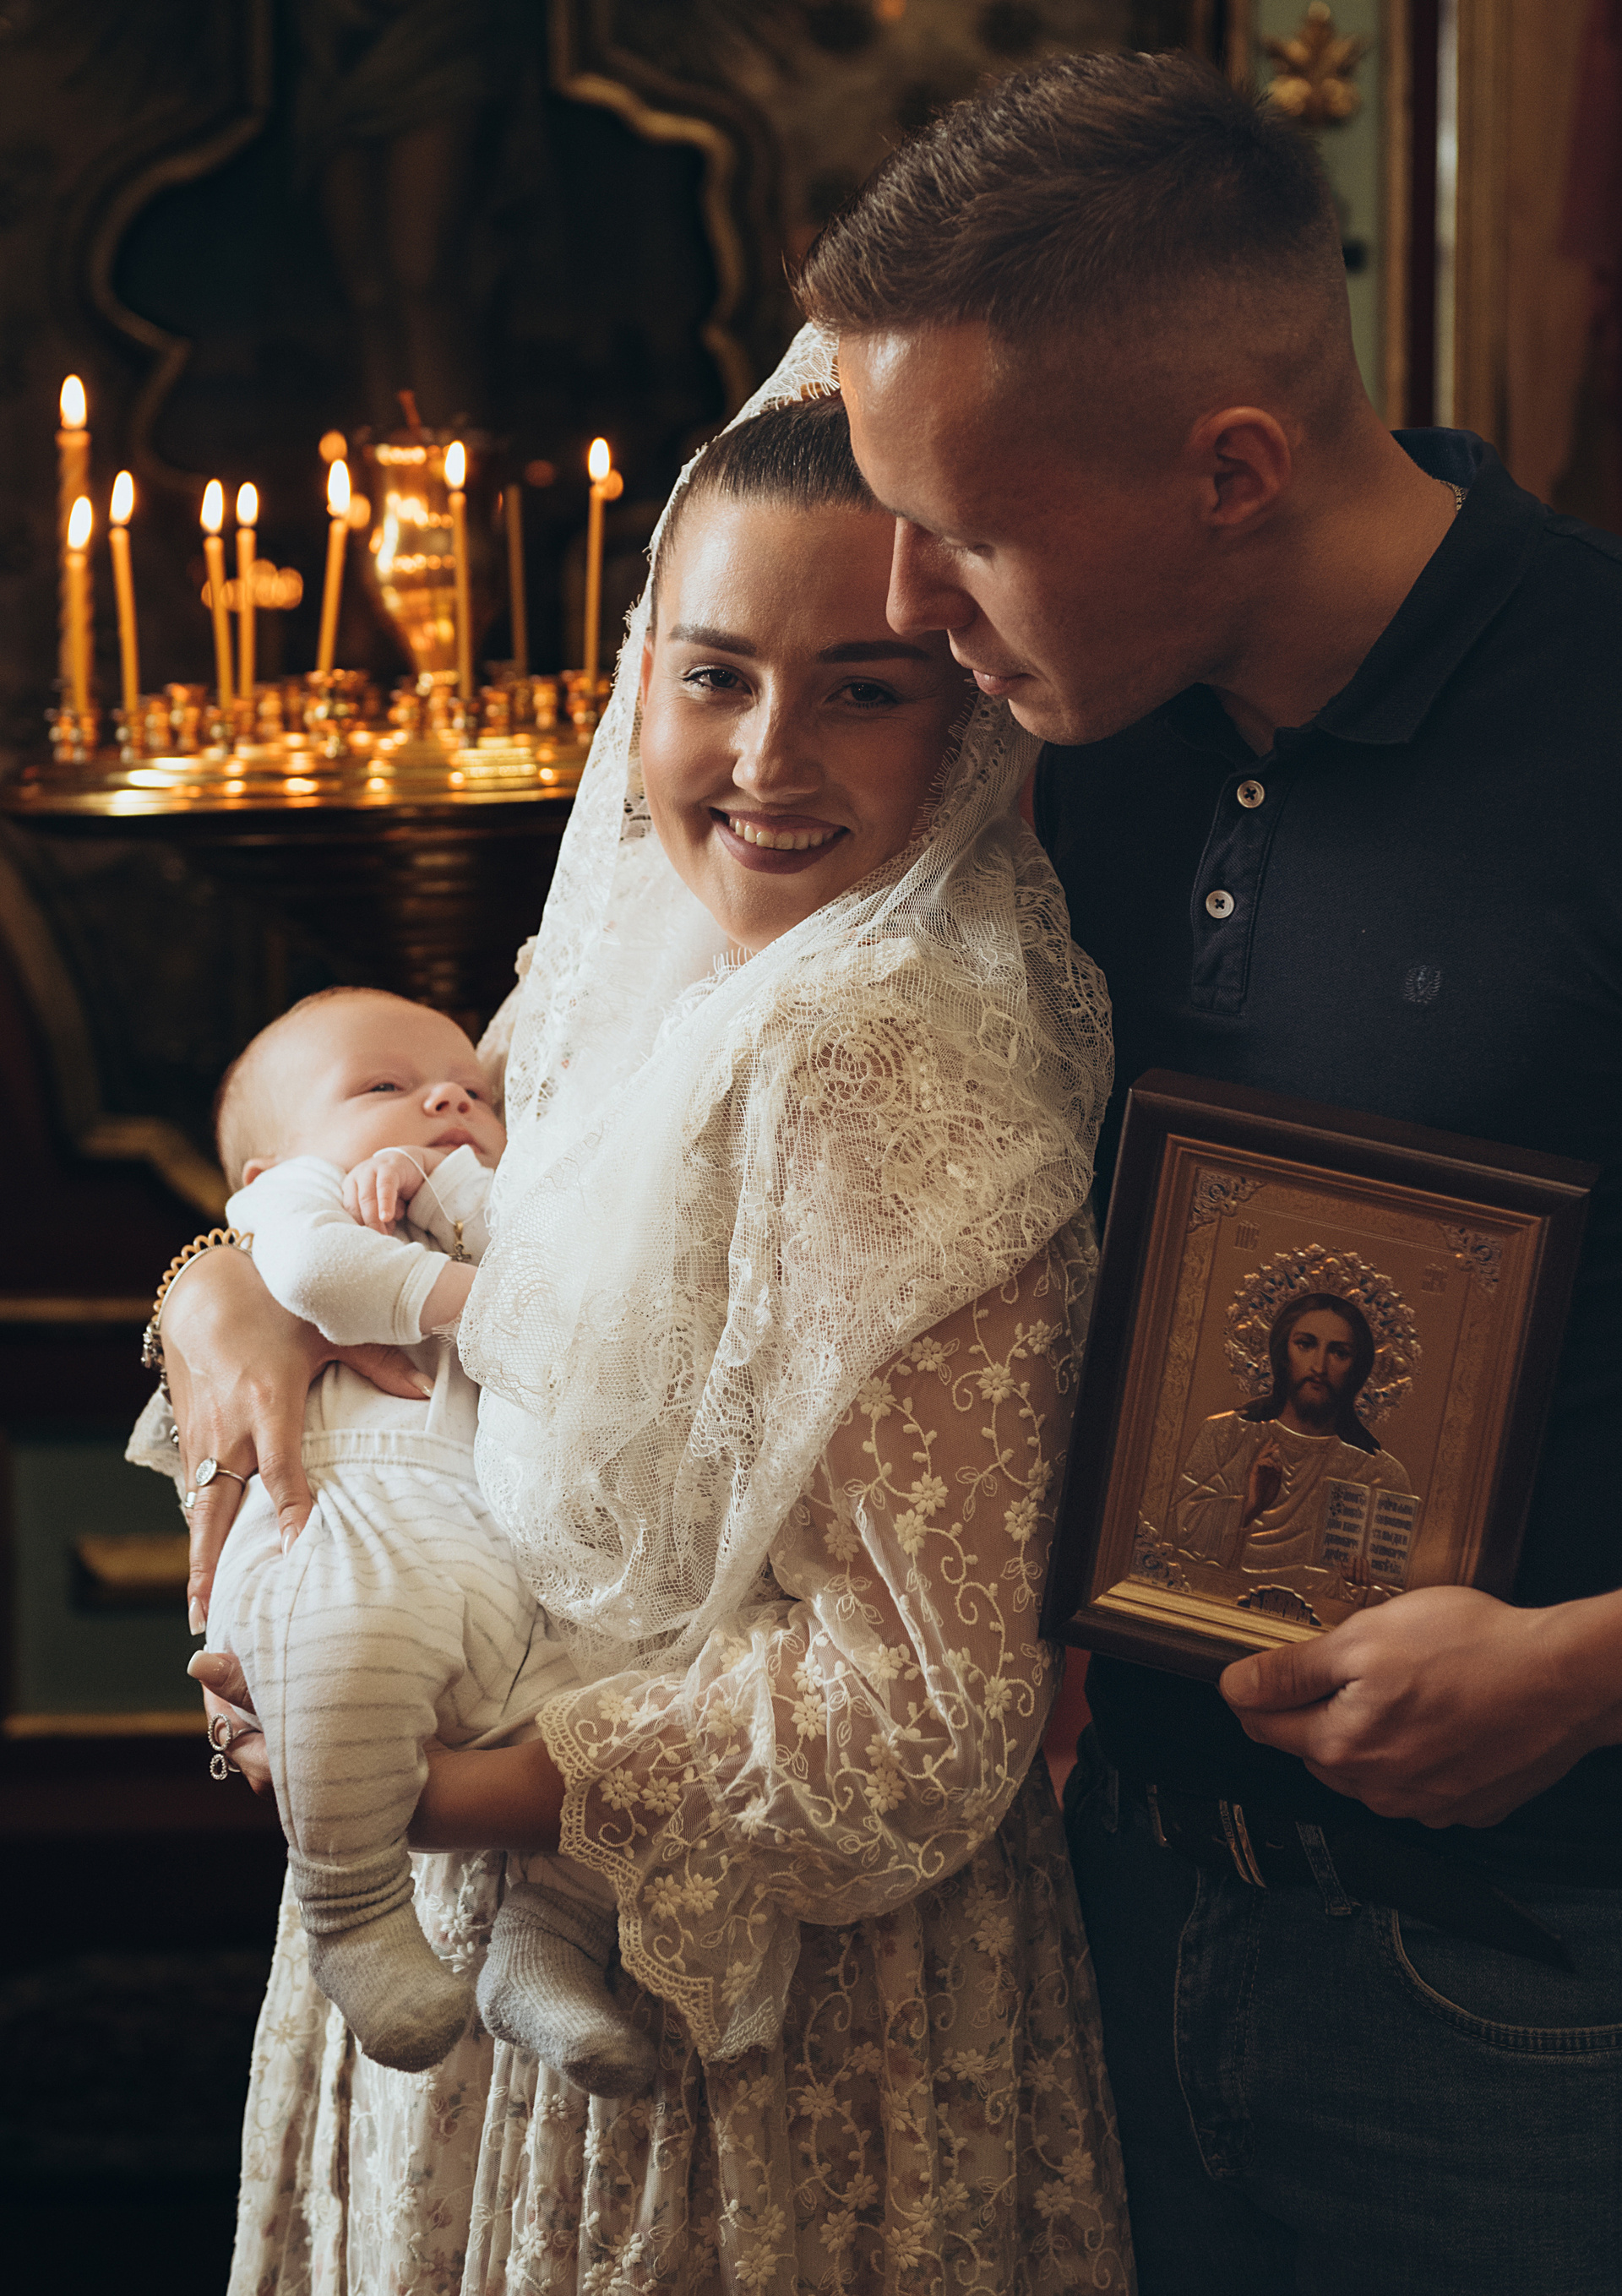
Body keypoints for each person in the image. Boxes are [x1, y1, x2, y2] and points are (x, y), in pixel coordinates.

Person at [157, 369, 1132, 2292]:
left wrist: (434, 1788)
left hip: (737, 2030)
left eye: (863, 688)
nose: (767, 756)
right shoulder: (638, 966)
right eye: (714, 675)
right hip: (464, 1914)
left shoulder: (876, 1066)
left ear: (966, 715)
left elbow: (924, 1711)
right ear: (641, 682)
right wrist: (229, 1296)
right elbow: (396, 1186)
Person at [797, 46, 1622, 2296]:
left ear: (1233, 468)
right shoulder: (1035, 737)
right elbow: (579, 1037)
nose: (910, 602)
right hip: (1088, 1928)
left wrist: (1590, 1665)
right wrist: (246, 1263)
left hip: (1535, 1998)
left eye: (969, 531)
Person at [133, 985, 656, 2092]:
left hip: (499, 1558)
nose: (448, 1099)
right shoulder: (299, 1202)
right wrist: (475, 1294)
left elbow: (560, 1275)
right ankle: (356, 1913)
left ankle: (549, 1946)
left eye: (472, 1090)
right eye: (384, 1085)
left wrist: (454, 1186)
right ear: (266, 1171)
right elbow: (321, 1274)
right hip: (340, 1520)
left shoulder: (486, 1200)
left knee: (612, 1706)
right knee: (351, 1657)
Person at [1173, 1293, 1412, 1574]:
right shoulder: (1225, 1435)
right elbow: (1180, 1542)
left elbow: (1391, 1587)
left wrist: (1360, 1581)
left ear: (1357, 1368)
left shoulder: (1380, 1475)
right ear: (1282, 1353)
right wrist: (1249, 1505)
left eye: (1339, 1353)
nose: (1319, 1367)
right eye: (1305, 1345)